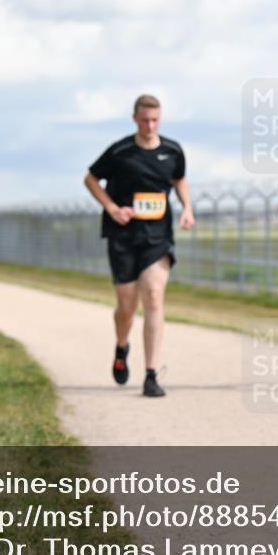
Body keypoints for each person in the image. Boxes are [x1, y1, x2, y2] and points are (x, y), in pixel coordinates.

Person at [83, 94, 194, 397]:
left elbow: (179, 179)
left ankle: (151, 374)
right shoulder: (120, 151)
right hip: (123, 237)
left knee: (154, 295)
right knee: (127, 306)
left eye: (155, 119)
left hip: (157, 236)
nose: (149, 125)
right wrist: (112, 208)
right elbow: (91, 179)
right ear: (135, 118)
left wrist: (187, 207)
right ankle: (121, 347)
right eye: (144, 119)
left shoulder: (172, 151)